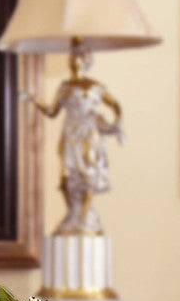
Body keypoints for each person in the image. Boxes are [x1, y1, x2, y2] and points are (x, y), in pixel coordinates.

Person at [25, 48, 124, 234]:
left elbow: (115, 104)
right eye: (72, 56)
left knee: (87, 173)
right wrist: (34, 100)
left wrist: (117, 122)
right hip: (70, 132)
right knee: (66, 175)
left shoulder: (94, 86)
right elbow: (52, 111)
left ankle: (83, 218)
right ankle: (74, 215)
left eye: (78, 56)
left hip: (88, 131)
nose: (74, 60)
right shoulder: (65, 87)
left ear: (87, 60)